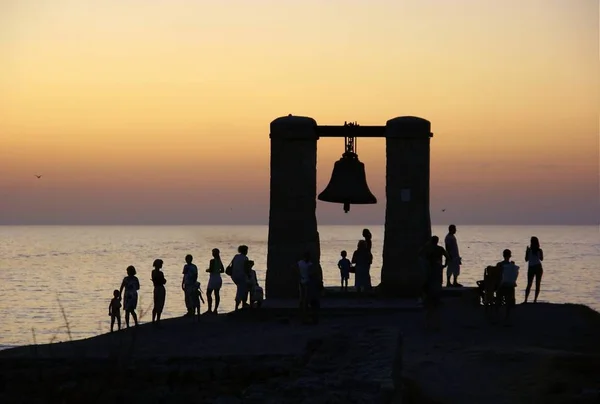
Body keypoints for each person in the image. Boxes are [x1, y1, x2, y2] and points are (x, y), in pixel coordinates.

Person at [419, 236, 450, 331]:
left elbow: (420, 254)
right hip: (438, 268)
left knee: (429, 282)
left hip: (431, 269)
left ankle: (429, 298)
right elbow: (447, 257)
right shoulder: (439, 249)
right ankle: (436, 298)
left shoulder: (428, 249)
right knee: (438, 283)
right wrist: (445, 265)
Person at [497, 249, 519, 321]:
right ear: (510, 256)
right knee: (509, 297)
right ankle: (507, 315)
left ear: (503, 255)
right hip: (510, 286)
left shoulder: (500, 264)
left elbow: (498, 276)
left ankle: (498, 313)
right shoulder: (512, 265)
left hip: (502, 286)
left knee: (499, 296)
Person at [524, 236, 544, 303]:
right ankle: (535, 300)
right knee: (537, 284)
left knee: (529, 284)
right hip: (538, 267)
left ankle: (526, 300)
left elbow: (526, 259)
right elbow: (541, 259)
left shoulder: (529, 250)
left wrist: (527, 251)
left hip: (531, 267)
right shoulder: (539, 250)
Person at [230, 245, 250, 310]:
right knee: (242, 289)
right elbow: (246, 269)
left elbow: (232, 265)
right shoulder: (245, 258)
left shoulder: (236, 256)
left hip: (234, 276)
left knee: (241, 288)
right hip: (241, 276)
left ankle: (243, 303)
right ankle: (238, 306)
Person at [205, 248, 224, 314]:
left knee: (208, 293)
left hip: (213, 279)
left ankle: (209, 309)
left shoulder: (212, 261)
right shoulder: (219, 261)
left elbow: (211, 269)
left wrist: (207, 270)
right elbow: (222, 270)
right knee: (217, 294)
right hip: (218, 278)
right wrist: (217, 271)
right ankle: (215, 309)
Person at [151, 259, 167, 325]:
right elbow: (163, 281)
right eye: (160, 264)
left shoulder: (153, 272)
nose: (161, 265)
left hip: (157, 288)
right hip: (159, 288)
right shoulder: (159, 273)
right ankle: (157, 320)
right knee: (159, 305)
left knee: (157, 305)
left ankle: (155, 320)